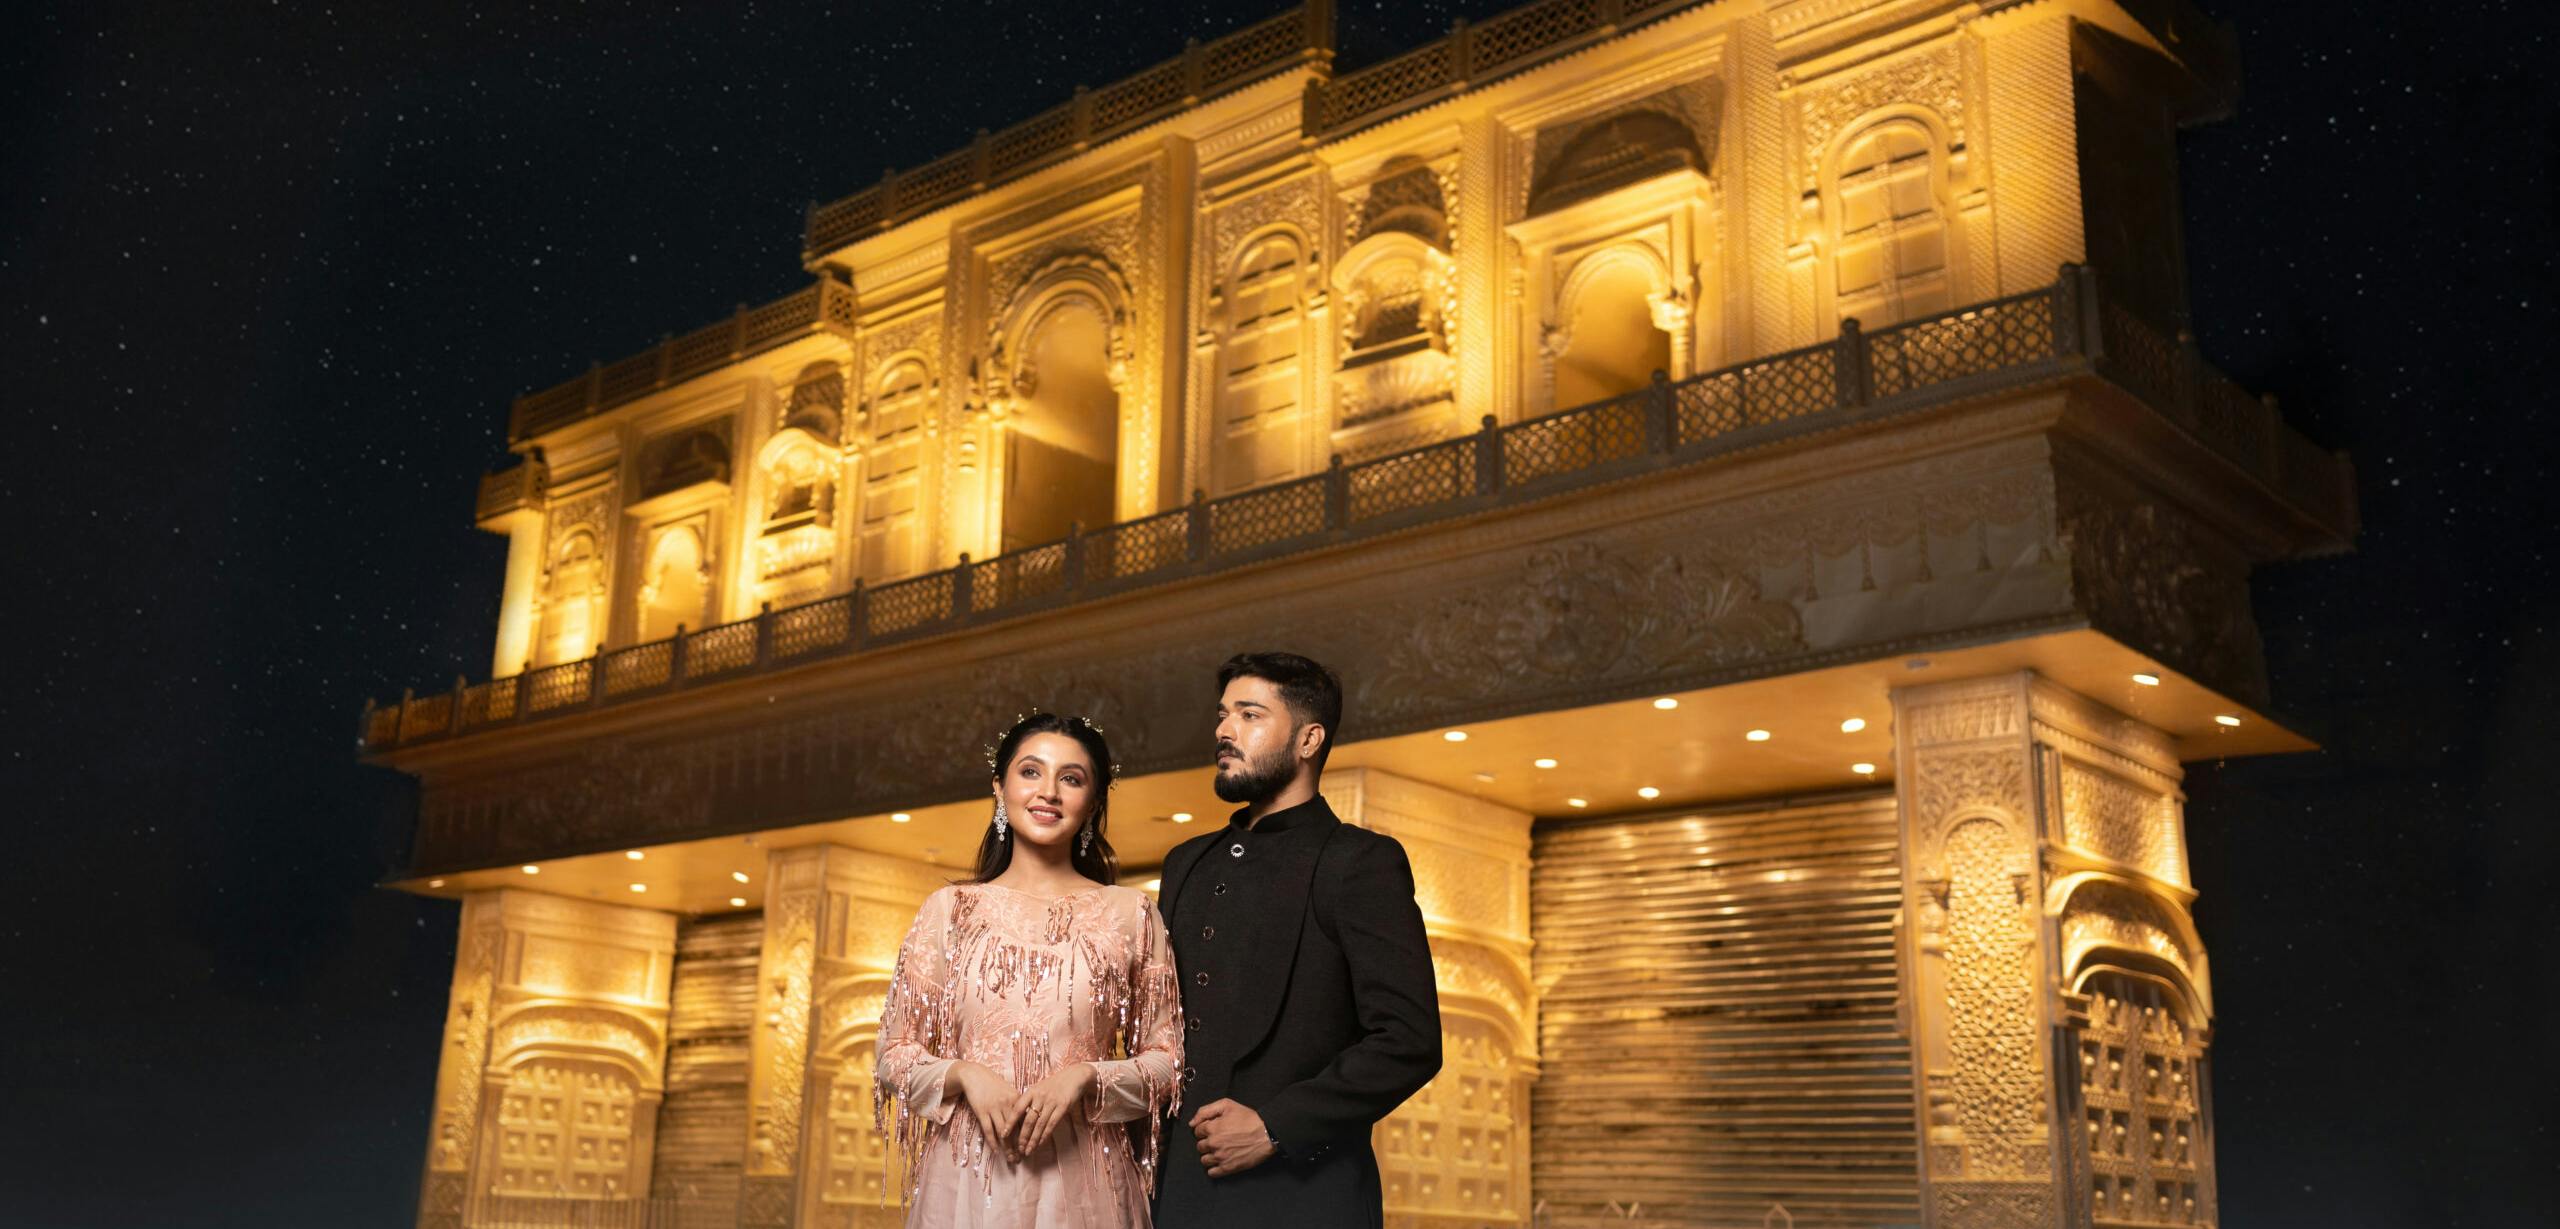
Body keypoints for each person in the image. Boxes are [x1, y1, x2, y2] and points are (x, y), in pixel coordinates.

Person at [1151, 652, 1442, 1228]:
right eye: (1223, 715)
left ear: (1309, 739)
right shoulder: (1185, 863)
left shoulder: (1360, 861)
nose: (1224, 731)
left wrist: (1275, 1127)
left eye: (1250, 715)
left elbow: (1409, 1039)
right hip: (1176, 1194)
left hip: (1304, 1198)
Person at [874, 712, 1184, 1228]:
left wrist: (1086, 1078)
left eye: (1071, 778)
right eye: (1031, 772)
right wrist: (964, 1075)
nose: (1049, 793)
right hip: (968, 1178)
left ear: (1093, 801)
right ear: (1000, 788)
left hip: (1086, 1178)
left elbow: (1167, 1062)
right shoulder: (951, 910)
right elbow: (893, 1054)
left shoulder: (1132, 914)